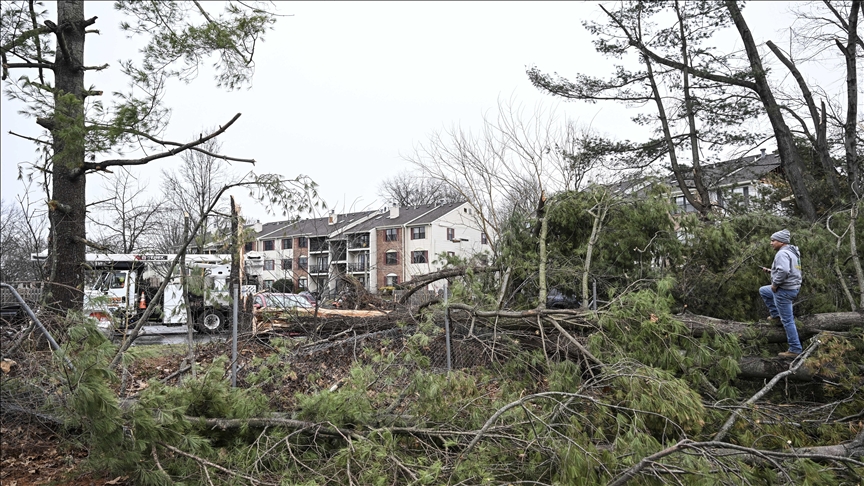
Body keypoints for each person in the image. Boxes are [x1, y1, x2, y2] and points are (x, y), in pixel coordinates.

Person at [759, 229, 803, 358]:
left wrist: (775, 285)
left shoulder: (782, 253)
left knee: (788, 321)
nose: (771, 243)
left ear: (782, 242)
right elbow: (788, 270)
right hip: (793, 288)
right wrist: (771, 271)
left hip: (784, 290)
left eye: (773, 240)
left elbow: (784, 270)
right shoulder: (792, 252)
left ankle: (795, 349)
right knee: (763, 290)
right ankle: (775, 315)